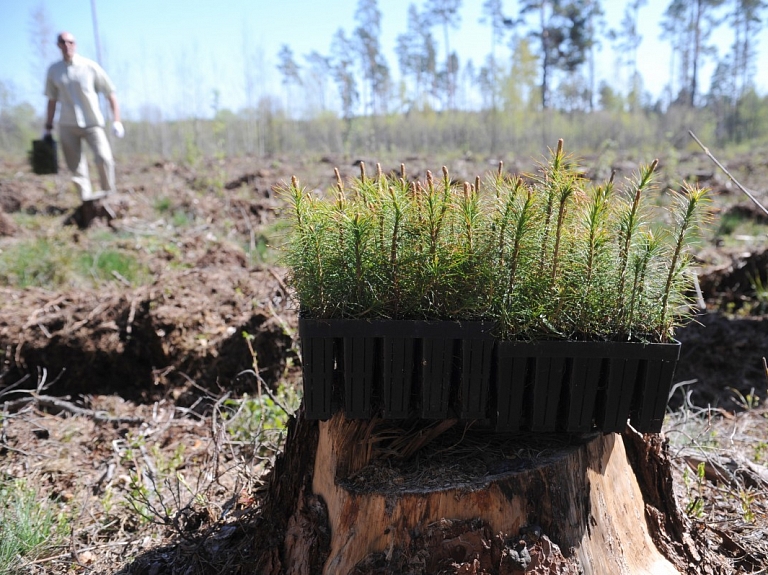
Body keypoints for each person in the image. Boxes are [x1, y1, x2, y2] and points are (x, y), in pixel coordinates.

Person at [44, 31, 124, 227]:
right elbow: (52, 99)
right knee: (76, 167)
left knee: (103, 157)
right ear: (58, 45)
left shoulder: (89, 67)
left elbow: (110, 92)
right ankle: (87, 204)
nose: (67, 45)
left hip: (92, 122)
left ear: (75, 44)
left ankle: (108, 196)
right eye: (63, 42)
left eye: (71, 42)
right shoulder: (54, 70)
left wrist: (116, 120)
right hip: (67, 124)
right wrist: (48, 127)